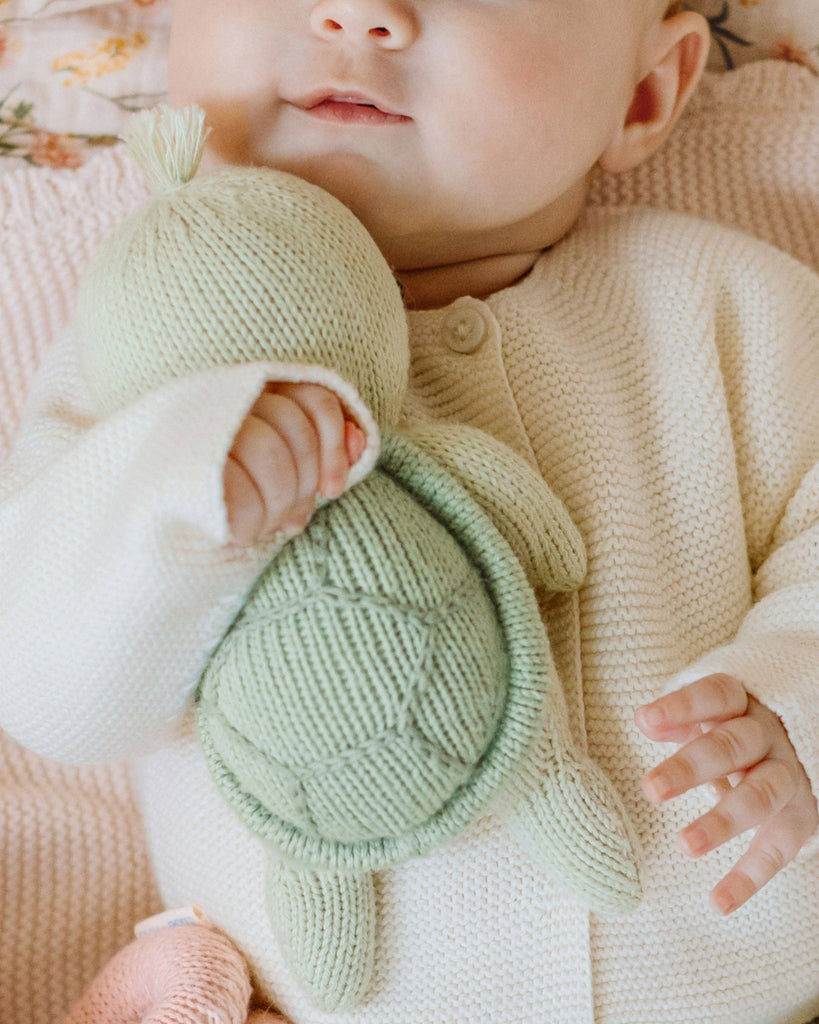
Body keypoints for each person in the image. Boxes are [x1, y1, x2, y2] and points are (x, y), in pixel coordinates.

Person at [1, 0, 819, 1019]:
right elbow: (47, 694)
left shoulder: (723, 307)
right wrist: (180, 497)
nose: (360, 14)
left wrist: (793, 699)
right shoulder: (144, 357)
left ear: (646, 92)